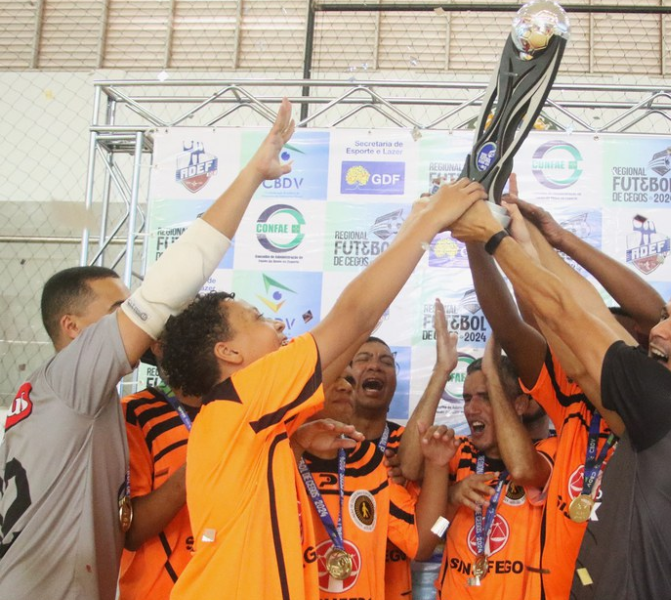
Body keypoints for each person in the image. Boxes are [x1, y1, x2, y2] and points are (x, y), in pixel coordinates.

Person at [0, 99, 297, 600]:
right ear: (72, 328)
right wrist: (253, 174)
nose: (135, 315)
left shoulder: (72, 401)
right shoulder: (69, 382)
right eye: (117, 307)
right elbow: (168, 287)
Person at [159, 177, 486, 600]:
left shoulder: (247, 420)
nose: (277, 323)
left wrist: (415, 224)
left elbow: (347, 342)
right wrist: (430, 223)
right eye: (258, 318)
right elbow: (355, 316)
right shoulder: (242, 397)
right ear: (229, 353)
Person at [450, 198, 671, 600]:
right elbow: (583, 319)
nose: (659, 331)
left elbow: (571, 312)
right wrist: (532, 238)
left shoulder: (667, 404)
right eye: (666, 316)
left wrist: (494, 237)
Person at [465, 185, 662, 600]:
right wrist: (477, 239)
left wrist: (549, 241)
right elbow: (511, 322)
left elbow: (653, 313)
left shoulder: (659, 409)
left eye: (613, 341)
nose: (594, 350)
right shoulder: (568, 390)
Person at [399, 302, 553, 598]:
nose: (471, 409)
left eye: (484, 396)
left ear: (519, 404)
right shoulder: (462, 452)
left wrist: (493, 373)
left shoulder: (550, 452)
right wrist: (441, 371)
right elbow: (409, 466)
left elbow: (522, 469)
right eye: (468, 398)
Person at [301, 365, 453, 600]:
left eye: (350, 380)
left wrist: (437, 465)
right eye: (334, 377)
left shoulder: (370, 461)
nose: (345, 386)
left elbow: (423, 545)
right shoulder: (277, 457)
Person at [117, 349, 202, 600]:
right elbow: (131, 532)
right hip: (159, 590)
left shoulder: (239, 410)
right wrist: (196, 470)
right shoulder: (134, 412)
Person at [344, 336, 413, 599]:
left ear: (395, 382)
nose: (375, 366)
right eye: (363, 359)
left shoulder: (408, 447)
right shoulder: (319, 441)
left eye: (386, 362)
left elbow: (432, 533)